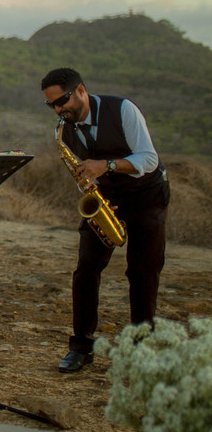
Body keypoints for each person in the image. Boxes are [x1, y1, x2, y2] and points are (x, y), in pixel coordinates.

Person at [40, 67, 169, 373]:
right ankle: (82, 347)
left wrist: (106, 166)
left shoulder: (123, 109)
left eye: (63, 101)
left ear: (81, 91)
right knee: (86, 269)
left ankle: (142, 348)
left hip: (145, 193)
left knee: (142, 271)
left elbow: (148, 159)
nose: (58, 110)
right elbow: (81, 172)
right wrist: (89, 186)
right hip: (105, 200)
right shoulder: (64, 130)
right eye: (52, 106)